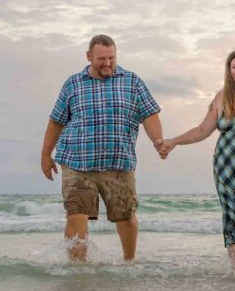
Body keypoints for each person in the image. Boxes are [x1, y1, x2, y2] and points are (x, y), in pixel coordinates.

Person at [159, 50, 235, 272]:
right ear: (229, 71)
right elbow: (202, 130)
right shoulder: (221, 97)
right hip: (227, 170)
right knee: (233, 216)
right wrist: (175, 141)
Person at [40, 34, 163, 262]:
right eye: (101, 59)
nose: (107, 63)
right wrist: (45, 155)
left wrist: (158, 140)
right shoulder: (73, 84)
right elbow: (56, 120)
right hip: (77, 163)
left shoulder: (132, 81)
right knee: (76, 214)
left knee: (125, 217)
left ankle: (129, 262)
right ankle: (79, 271)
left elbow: (150, 114)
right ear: (89, 57)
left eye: (111, 58)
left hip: (118, 163)